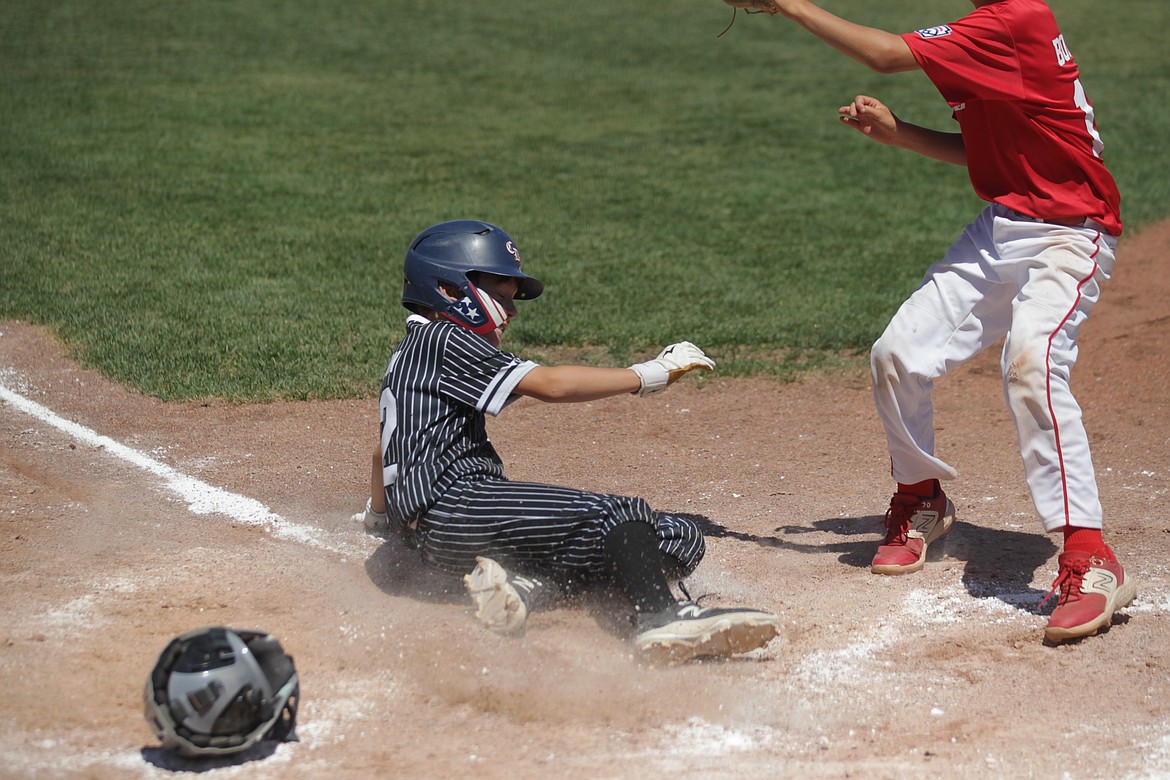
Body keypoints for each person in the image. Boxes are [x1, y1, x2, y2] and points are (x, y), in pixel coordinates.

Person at [719, 0, 1133, 643]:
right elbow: (996, 152)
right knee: (897, 354)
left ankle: (1089, 556)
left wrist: (788, 5)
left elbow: (885, 56)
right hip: (1002, 227)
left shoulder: (1013, 20)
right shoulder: (989, 30)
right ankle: (920, 497)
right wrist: (900, 134)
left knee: (1031, 362)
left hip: (1068, 237)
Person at [351, 219, 782, 665]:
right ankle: (661, 618)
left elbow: (384, 449)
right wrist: (647, 374)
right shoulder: (445, 339)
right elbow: (551, 384)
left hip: (442, 524)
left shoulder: (413, 348)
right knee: (620, 513)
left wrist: (383, 520)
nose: (512, 311)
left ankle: (530, 587)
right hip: (457, 507)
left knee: (676, 536)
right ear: (448, 289)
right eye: (501, 295)